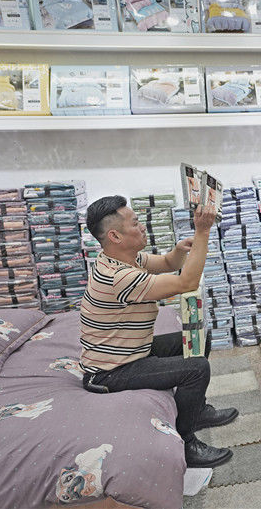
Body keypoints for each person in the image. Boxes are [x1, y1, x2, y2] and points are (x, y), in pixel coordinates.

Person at [79, 196, 237, 468]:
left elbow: (166, 263)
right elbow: (186, 282)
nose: (142, 227)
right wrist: (202, 232)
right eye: (135, 223)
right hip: (111, 371)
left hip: (134, 351)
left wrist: (179, 251)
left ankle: (196, 411)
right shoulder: (119, 277)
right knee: (196, 368)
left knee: (199, 338)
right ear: (115, 236)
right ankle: (185, 444)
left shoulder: (125, 259)